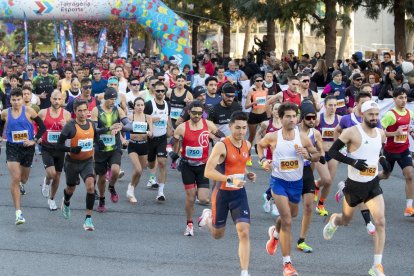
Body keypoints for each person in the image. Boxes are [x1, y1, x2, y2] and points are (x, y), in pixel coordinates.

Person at [324, 100, 387, 276]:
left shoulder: (381, 133)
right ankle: (334, 220)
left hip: (372, 185)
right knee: (346, 219)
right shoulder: (352, 132)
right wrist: (354, 162)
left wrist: (384, 162)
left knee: (381, 221)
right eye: (371, 114)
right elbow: (333, 152)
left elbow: (378, 151)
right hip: (353, 186)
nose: (374, 118)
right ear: (362, 115)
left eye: (376, 114)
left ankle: (376, 265)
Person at [257, 102, 319, 276]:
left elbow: (317, 155)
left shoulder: (303, 137)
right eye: (288, 116)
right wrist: (263, 161)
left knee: (290, 216)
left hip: (296, 183)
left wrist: (308, 155)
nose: (292, 119)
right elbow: (260, 146)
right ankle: (287, 264)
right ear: (281, 117)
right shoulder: (273, 137)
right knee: (288, 221)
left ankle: (275, 234)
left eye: (294, 116)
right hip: (278, 182)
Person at [198, 111, 256, 276]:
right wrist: (229, 179)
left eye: (244, 128)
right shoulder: (221, 145)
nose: (241, 132)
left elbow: (239, 164)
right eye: (237, 128)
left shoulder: (247, 145)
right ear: (230, 127)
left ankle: (244, 272)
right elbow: (208, 172)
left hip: (239, 194)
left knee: (244, 231)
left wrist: (247, 173)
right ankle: (207, 217)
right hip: (222, 194)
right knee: (217, 235)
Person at [171, 101, 222, 236]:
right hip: (187, 166)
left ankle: (204, 214)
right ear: (189, 112)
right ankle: (189, 224)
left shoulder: (208, 124)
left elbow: (221, 136)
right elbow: (172, 143)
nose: (197, 115)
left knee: (204, 199)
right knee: (190, 197)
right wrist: (174, 154)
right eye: (194, 112)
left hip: (203, 166)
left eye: (200, 113)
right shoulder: (182, 127)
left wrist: (226, 142)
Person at [334, 91, 380, 235]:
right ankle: (344, 188)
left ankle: (368, 222)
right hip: (353, 165)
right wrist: (345, 153)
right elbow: (337, 132)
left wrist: (382, 158)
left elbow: (379, 142)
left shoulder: (374, 122)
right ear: (358, 106)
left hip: (369, 170)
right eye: (363, 103)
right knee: (347, 216)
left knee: (367, 192)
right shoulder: (348, 120)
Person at [0, 87, 46, 224]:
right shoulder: (5, 113)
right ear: (10, 100)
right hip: (12, 147)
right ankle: (18, 213)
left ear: (22, 99)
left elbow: (42, 127)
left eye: (18, 99)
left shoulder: (29, 111)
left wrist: (34, 140)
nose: (16, 102)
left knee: (24, 179)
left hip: (27, 147)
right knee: (15, 177)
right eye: (13, 100)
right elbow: (0, 125)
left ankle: (21, 184)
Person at [55, 98, 100, 231]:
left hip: (87, 162)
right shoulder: (70, 126)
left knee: (91, 186)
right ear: (74, 111)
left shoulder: (91, 124)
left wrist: (99, 144)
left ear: (88, 111)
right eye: (79, 111)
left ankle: (88, 219)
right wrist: (70, 150)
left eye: (85, 110)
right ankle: (67, 202)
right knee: (71, 189)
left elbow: (95, 137)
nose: (82, 113)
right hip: (72, 163)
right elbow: (58, 145)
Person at [91, 87, 129, 212]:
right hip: (101, 148)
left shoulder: (118, 110)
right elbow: (94, 129)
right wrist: (109, 128)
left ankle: (111, 187)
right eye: (111, 99)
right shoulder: (96, 110)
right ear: (105, 99)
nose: (113, 101)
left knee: (115, 170)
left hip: (115, 147)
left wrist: (123, 126)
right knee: (101, 179)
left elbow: (128, 124)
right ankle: (102, 201)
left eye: (115, 99)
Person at [380, 88, 414, 216]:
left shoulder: (409, 112)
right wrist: (395, 133)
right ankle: (371, 183)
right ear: (394, 99)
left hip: (404, 149)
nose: (403, 100)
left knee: (409, 175)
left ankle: (409, 208)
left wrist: (410, 131)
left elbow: (407, 126)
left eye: (405, 97)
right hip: (390, 151)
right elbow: (381, 131)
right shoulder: (390, 114)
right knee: (385, 175)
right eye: (400, 98)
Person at [296, 103, 324, 253]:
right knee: (290, 212)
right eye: (309, 117)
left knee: (308, 206)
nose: (312, 120)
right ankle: (275, 233)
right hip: (290, 171)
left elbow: (318, 155)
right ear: (302, 118)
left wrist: (310, 156)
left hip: (306, 170)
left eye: (314, 117)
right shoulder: (292, 131)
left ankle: (301, 240)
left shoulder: (314, 133)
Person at [38, 90, 71, 210]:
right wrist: (38, 138)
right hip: (47, 147)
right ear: (50, 99)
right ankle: (46, 181)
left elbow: (71, 132)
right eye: (54, 99)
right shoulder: (42, 112)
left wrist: (65, 127)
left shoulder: (66, 114)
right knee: (51, 174)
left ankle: (51, 199)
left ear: (62, 100)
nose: (57, 101)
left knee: (57, 177)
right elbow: (34, 125)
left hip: (60, 149)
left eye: (59, 99)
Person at [144, 81, 172, 200]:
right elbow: (141, 120)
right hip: (150, 139)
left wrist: (170, 129)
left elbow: (168, 117)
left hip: (162, 138)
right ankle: (152, 176)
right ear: (153, 91)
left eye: (162, 91)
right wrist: (150, 121)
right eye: (158, 91)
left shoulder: (167, 104)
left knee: (162, 162)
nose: (160, 93)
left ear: (165, 92)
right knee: (150, 163)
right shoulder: (149, 105)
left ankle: (161, 192)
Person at [314, 96, 341, 216]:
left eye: (335, 105)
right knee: (326, 179)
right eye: (330, 105)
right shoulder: (318, 119)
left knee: (329, 182)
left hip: (333, 153)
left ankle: (320, 204)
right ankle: (317, 184)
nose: (333, 108)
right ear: (325, 106)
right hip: (320, 153)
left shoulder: (340, 119)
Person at [126, 97, 153, 203]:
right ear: (134, 106)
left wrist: (149, 133)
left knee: (140, 172)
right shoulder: (130, 117)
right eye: (138, 105)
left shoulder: (148, 117)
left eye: (142, 105)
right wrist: (128, 137)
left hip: (144, 145)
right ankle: (131, 189)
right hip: (133, 145)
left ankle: (132, 188)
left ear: (144, 106)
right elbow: (127, 132)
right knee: (138, 169)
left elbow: (151, 133)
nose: (140, 107)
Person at [244, 74, 268, 166]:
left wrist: (268, 114)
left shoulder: (266, 90)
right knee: (251, 137)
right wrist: (254, 102)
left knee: (265, 135)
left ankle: (263, 157)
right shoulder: (251, 91)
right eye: (257, 81)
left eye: (261, 80)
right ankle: (248, 156)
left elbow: (267, 103)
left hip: (263, 115)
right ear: (254, 82)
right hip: (254, 115)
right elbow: (246, 106)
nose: (259, 82)